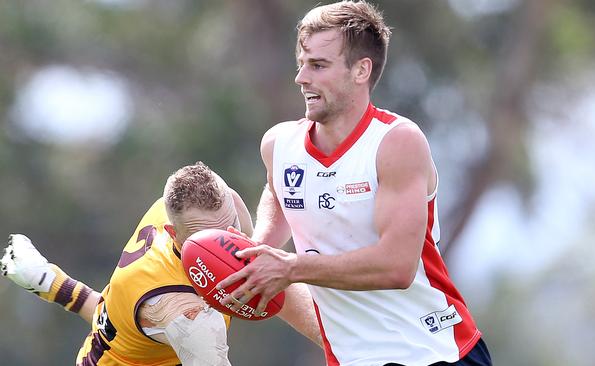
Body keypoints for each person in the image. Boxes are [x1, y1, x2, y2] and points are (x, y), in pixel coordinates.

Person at [217, 2, 492, 366]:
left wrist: (289, 268)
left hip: (433, 353)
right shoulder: (279, 145)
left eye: (318, 65)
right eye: (301, 63)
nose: (301, 77)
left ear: (361, 70)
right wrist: (257, 250)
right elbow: (281, 193)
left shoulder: (396, 142)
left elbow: (396, 267)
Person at [1, 162, 321, 366]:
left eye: (231, 225)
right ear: (173, 233)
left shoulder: (190, 210)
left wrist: (50, 284)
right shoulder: (187, 316)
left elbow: (266, 276)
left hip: (114, 340)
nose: (231, 241)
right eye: (209, 235)